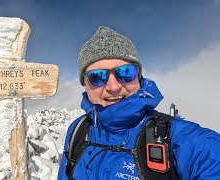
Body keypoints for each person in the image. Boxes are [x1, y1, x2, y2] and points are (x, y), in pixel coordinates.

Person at [57, 26, 220, 180]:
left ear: (139, 78)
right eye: (97, 77)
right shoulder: (78, 130)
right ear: (85, 85)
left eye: (125, 72)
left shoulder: (191, 142)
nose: (113, 87)